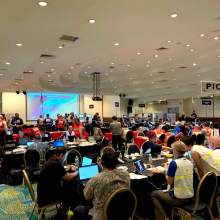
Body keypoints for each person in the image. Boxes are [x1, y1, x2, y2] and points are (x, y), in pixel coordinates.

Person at [74, 147, 130, 220]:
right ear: (117, 162)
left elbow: (87, 196)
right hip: (122, 213)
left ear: (102, 163)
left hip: (102, 215)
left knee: (78, 209)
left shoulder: (96, 178)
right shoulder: (126, 175)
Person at [151, 141, 194, 220]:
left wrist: (165, 172)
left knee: (154, 194)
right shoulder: (190, 162)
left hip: (179, 198)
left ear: (175, 151)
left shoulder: (174, 163)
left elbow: (169, 182)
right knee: (165, 193)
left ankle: (164, 218)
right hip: (190, 195)